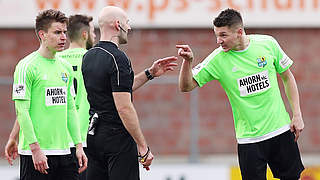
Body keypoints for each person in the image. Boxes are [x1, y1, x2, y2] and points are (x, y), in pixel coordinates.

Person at [177, 8, 304, 180]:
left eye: (223, 35)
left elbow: (287, 77)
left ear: (239, 32)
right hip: (249, 141)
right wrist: (187, 62)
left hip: (280, 131)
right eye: (216, 35)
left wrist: (297, 115)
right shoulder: (217, 59)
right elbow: (186, 86)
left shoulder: (268, 43)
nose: (218, 41)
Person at [82, 6, 177, 180]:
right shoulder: (118, 58)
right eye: (127, 23)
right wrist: (143, 147)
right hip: (117, 139)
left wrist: (150, 73)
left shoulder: (88, 56)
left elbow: (117, 90)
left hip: (94, 137)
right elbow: (124, 107)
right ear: (118, 25)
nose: (130, 28)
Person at [10, 9, 87, 180]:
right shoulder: (26, 66)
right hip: (36, 155)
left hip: (66, 152)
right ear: (42, 34)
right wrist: (35, 149)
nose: (63, 37)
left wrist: (79, 146)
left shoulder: (65, 67)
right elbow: (22, 111)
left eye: (65, 32)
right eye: (57, 32)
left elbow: (70, 109)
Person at [57, 14, 96, 180]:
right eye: (94, 32)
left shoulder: (54, 59)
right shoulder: (94, 59)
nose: (95, 36)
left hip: (59, 139)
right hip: (85, 138)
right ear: (85, 34)